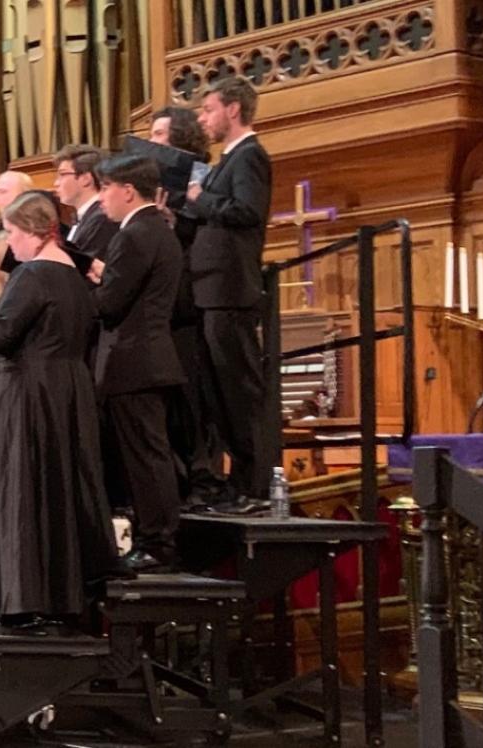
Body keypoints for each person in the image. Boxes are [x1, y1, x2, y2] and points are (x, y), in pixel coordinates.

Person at [0, 193, 119, 631]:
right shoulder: (74, 276)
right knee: (55, 491)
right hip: (65, 389)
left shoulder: (33, 274)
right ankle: (58, 595)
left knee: (22, 488)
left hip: (27, 395)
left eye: (14, 233)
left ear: (38, 232)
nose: (10, 243)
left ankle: (20, 600)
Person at [94, 154, 188, 571]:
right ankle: (156, 539)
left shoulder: (133, 235)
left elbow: (111, 306)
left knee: (147, 459)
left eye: (105, 189)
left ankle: (157, 543)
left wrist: (90, 283)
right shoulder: (160, 230)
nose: (101, 200)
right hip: (149, 358)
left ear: (127, 190)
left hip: (134, 363)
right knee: (151, 455)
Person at [184, 76, 273, 509]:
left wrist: (200, 199)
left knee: (239, 391)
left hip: (231, 291)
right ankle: (236, 484)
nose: (202, 119)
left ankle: (253, 486)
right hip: (211, 292)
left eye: (208, 109)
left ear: (233, 110)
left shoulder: (250, 156)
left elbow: (246, 211)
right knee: (220, 393)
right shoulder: (228, 160)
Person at [151, 104, 221, 507]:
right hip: (167, 301)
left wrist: (174, 221)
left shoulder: (201, 177)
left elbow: (207, 237)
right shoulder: (157, 183)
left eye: (161, 135)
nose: (154, 142)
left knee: (194, 394)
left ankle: (203, 476)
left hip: (192, 298)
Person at [54, 144, 117, 258]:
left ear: (86, 179)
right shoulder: (87, 216)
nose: (56, 183)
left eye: (62, 175)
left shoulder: (101, 218)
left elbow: (87, 267)